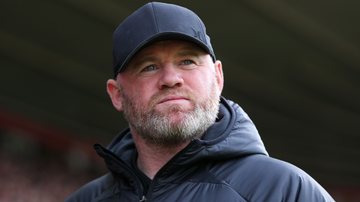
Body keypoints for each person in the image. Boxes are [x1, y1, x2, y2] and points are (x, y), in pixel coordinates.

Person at [66, 2, 334, 201]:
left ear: (218, 77)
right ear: (116, 94)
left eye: (187, 61)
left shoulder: (285, 190)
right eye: (148, 67)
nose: (171, 78)